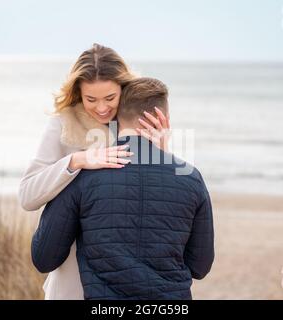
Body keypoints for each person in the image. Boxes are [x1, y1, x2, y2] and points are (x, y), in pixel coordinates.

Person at [31, 77, 215, 300]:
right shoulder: (191, 179)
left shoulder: (84, 175)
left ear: (116, 116)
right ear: (163, 120)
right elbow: (200, 266)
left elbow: (44, 258)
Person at [18, 44, 169, 299]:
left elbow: (159, 203)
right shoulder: (62, 123)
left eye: (110, 98)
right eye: (91, 99)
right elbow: (27, 196)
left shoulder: (138, 119)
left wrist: (162, 151)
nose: (101, 108)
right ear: (78, 93)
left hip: (131, 275)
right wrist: (77, 161)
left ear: (123, 88)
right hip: (73, 277)